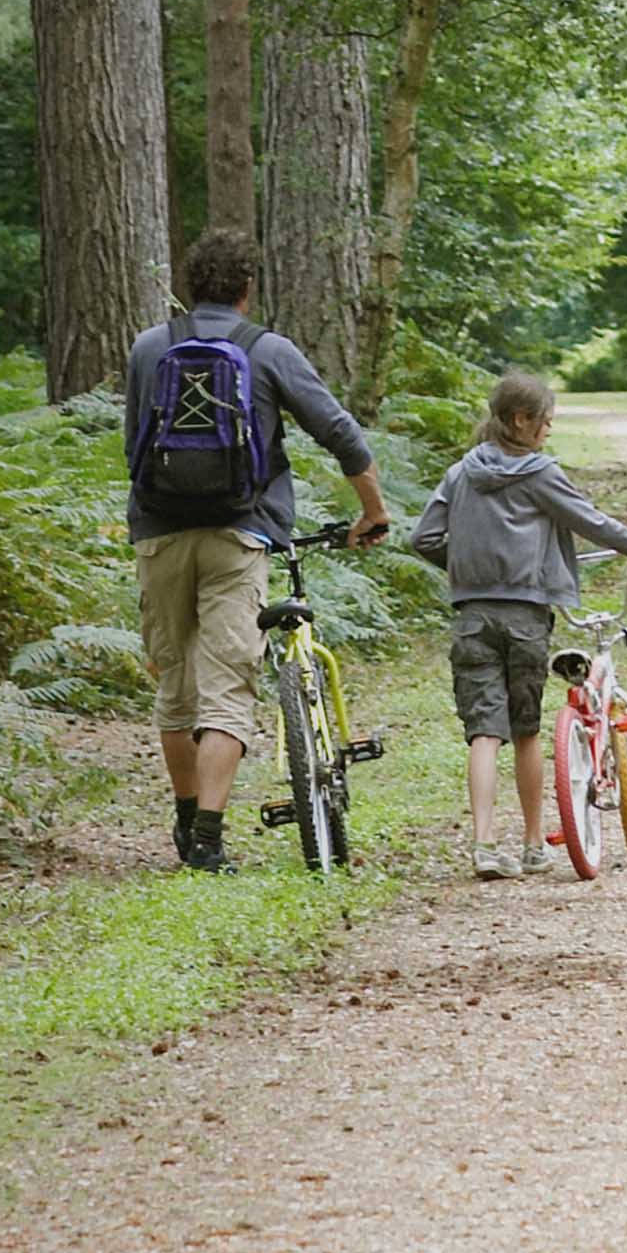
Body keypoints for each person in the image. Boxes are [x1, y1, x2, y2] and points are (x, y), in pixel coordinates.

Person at [123, 226, 392, 872]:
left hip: (158, 533)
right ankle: (211, 840)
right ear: (248, 290)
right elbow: (340, 434)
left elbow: (134, 445)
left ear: (190, 288)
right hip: (240, 536)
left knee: (175, 687)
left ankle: (186, 822)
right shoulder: (267, 350)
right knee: (227, 690)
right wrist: (372, 511)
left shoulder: (148, 348)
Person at [409, 369, 627, 879]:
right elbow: (593, 522)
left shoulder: (461, 472)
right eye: (545, 422)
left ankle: (483, 844)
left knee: (483, 731)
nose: (548, 431)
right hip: (524, 615)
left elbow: (425, 538)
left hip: (471, 615)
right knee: (525, 731)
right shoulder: (539, 472)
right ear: (520, 421)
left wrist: (470, 569)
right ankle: (531, 843)